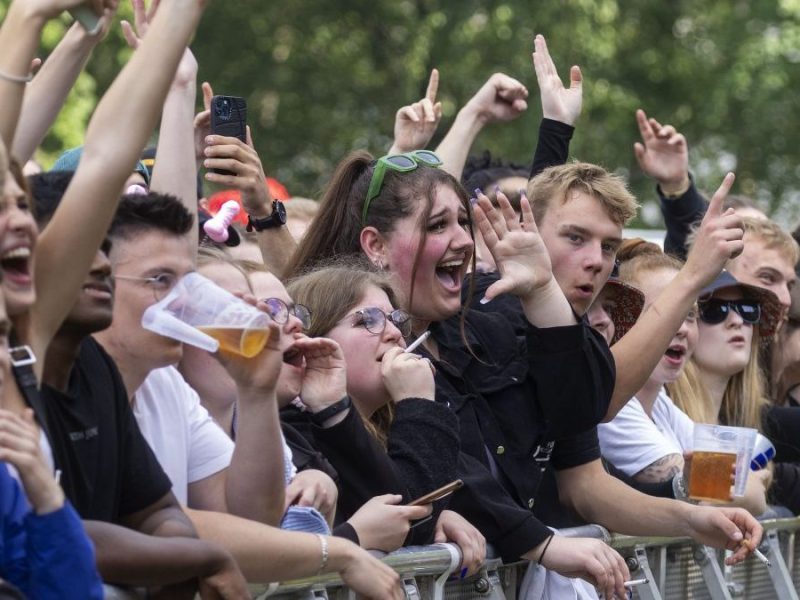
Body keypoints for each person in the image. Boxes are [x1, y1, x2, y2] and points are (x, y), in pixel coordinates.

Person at [28, 171, 253, 595]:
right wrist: (199, 558)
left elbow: (157, 512)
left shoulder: (96, 367)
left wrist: (174, 561)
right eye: (81, 247)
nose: (101, 264)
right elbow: (39, 529)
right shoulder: (11, 373)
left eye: (103, 247)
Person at [284, 260, 485, 573]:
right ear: (313, 341)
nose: (394, 334)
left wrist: (437, 516)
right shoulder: (295, 428)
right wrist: (419, 403)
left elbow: (405, 506)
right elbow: (401, 505)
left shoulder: (389, 428)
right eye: (368, 320)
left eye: (396, 319)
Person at [598, 242, 770, 516]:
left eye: (689, 314)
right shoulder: (614, 406)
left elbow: (751, 479)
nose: (680, 327)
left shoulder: (659, 402)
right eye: (662, 312)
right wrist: (745, 487)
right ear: (619, 319)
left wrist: (741, 486)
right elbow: (718, 492)